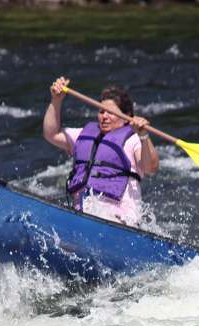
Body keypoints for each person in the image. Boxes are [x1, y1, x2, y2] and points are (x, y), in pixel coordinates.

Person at [43, 76, 159, 226]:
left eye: (110, 112)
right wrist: (56, 100)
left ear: (127, 117)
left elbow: (151, 168)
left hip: (120, 221)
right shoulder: (84, 134)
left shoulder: (134, 140)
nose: (104, 117)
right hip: (83, 215)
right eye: (101, 111)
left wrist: (144, 135)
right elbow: (51, 134)